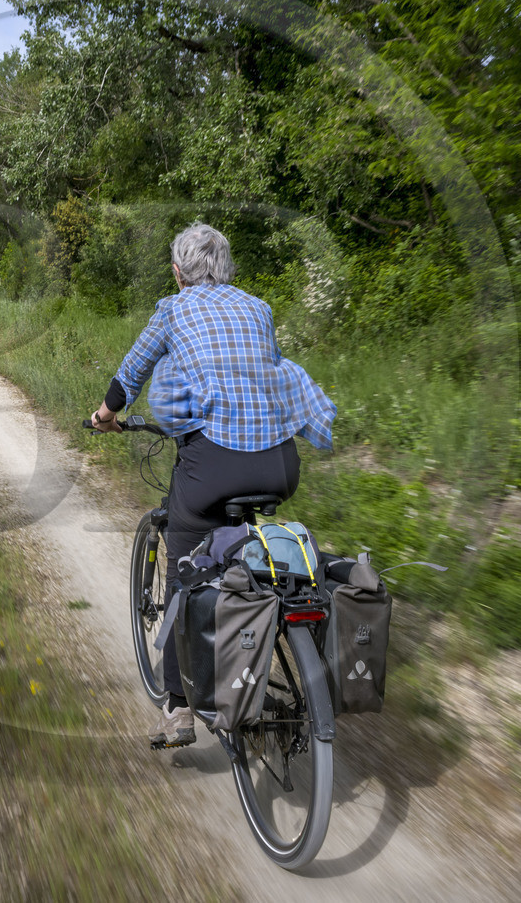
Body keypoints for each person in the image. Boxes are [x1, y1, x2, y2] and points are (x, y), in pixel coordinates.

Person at [91, 222, 336, 749]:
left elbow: (130, 375)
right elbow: (255, 376)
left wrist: (106, 415)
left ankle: (178, 709)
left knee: (184, 563)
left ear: (178, 272)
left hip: (214, 467)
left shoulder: (173, 310)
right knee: (242, 546)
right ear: (227, 270)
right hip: (279, 463)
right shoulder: (258, 308)